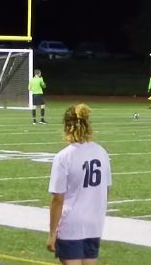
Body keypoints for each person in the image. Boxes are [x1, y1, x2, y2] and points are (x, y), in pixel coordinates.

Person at [46, 104, 112, 264]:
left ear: (67, 127)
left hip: (72, 225)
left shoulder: (64, 157)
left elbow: (58, 199)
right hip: (94, 224)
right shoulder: (101, 152)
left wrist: (52, 233)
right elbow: (106, 189)